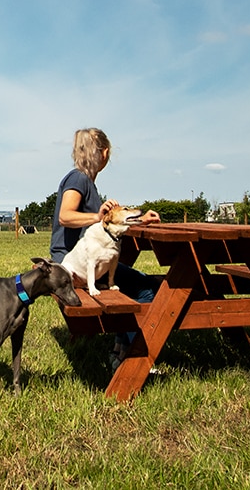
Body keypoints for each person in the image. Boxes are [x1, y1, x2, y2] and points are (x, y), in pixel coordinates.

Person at [49, 128, 160, 370]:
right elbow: (65, 217)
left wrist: (140, 220)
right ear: (105, 153)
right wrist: (96, 215)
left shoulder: (83, 180)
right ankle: (133, 357)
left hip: (87, 262)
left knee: (129, 284)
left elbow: (109, 225)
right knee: (147, 288)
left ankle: (120, 349)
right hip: (73, 266)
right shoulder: (78, 179)